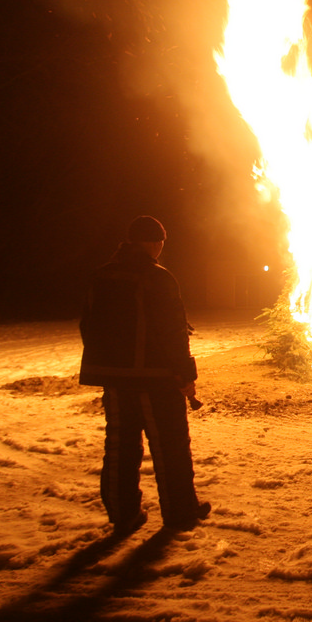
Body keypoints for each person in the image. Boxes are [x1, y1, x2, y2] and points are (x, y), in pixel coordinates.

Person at [79, 216, 210, 535]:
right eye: (160, 241)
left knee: (120, 447)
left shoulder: (101, 276)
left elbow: (88, 325)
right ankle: (180, 512)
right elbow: (173, 333)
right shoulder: (158, 278)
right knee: (170, 445)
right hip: (157, 379)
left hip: (116, 381)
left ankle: (122, 514)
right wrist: (185, 375)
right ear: (153, 242)